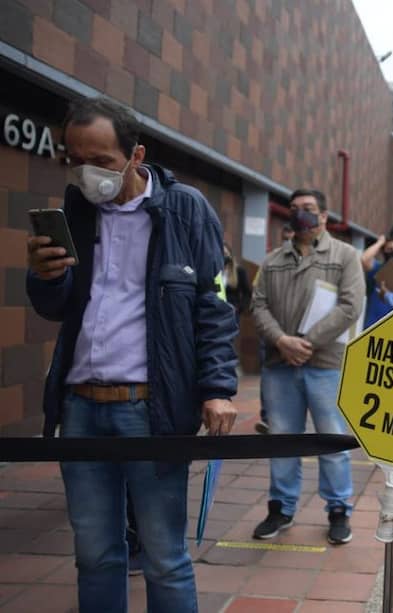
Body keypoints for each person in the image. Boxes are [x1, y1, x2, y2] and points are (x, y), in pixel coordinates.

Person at [26, 97, 238, 613]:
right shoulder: (74, 208)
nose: (86, 172)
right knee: (95, 554)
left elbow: (214, 303)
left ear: (135, 154)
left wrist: (216, 389)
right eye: (74, 159)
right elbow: (56, 309)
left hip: (152, 408)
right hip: (81, 406)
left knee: (165, 556)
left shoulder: (185, 210)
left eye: (100, 160)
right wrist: (44, 275)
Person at [251, 188, 365, 544]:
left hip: (326, 364)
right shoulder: (272, 261)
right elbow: (258, 306)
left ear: (324, 217)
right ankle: (281, 508)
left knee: (331, 440)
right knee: (282, 440)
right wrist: (283, 341)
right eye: (294, 208)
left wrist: (307, 343)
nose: (300, 213)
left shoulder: (344, 256)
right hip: (279, 364)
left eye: (309, 208)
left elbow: (350, 305)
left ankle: (338, 510)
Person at [361, 234, 393, 328]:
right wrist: (380, 242)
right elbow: (364, 259)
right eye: (389, 249)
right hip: (371, 325)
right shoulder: (377, 268)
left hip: (392, 328)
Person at [222, 242, 252, 317]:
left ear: (230, 255)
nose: (223, 257)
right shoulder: (214, 271)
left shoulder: (239, 271)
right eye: (221, 254)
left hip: (232, 313)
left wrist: (239, 308)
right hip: (216, 311)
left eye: (225, 254)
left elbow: (247, 293)